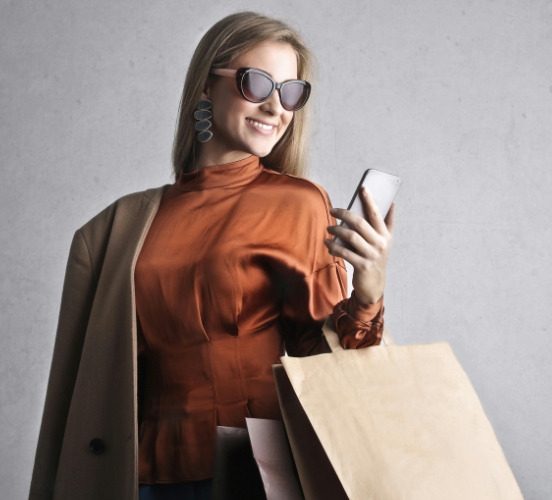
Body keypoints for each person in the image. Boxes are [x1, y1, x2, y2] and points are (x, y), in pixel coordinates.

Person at [29, 11, 394, 500]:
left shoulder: (299, 203)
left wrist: (367, 294)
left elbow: (322, 357)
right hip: (142, 474)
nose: (275, 106)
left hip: (260, 468)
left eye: (290, 92)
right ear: (206, 85)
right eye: (256, 82)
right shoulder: (114, 229)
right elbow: (86, 385)